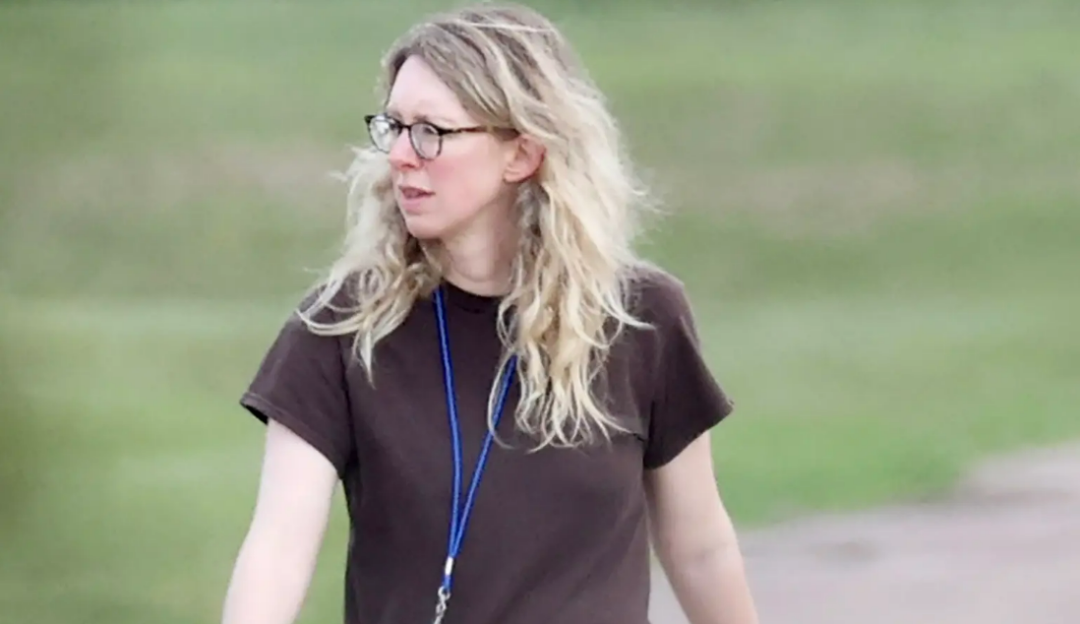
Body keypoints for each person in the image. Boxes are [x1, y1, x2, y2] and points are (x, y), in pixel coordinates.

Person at [220, 3, 759, 624]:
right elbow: (278, 552)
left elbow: (699, 548)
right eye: (394, 126)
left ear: (522, 154)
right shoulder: (342, 328)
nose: (400, 154)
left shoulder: (639, 320)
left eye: (431, 131)